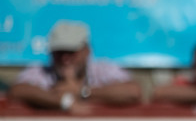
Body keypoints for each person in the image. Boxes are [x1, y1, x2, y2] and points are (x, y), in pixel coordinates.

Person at [11, 21, 142, 114]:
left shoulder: (102, 69)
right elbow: (18, 90)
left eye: (71, 51)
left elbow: (133, 91)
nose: (65, 58)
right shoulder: (42, 71)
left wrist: (82, 92)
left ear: (87, 50)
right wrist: (65, 101)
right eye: (59, 52)